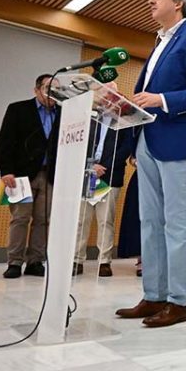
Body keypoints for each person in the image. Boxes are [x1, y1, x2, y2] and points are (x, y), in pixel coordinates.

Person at [116, 0, 186, 328]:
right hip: (147, 137)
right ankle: (154, 295)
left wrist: (161, 100)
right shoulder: (157, 44)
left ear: (179, 3)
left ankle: (178, 301)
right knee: (149, 221)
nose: (150, 1)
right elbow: (148, 93)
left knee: (176, 220)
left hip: (177, 139)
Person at [0, 74, 59, 279]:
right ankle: (14, 262)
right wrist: (6, 170)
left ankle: (35, 261)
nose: (52, 93)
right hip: (21, 175)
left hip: (50, 175)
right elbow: (5, 141)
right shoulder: (18, 109)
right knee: (20, 218)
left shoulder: (63, 114)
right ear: (36, 90)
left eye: (56, 89)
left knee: (43, 221)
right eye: (48, 88)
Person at [73, 111, 132, 277]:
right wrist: (90, 166)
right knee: (81, 220)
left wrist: (103, 167)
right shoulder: (88, 118)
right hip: (87, 175)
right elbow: (79, 143)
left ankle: (104, 262)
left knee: (106, 220)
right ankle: (77, 260)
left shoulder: (123, 122)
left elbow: (126, 147)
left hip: (110, 176)